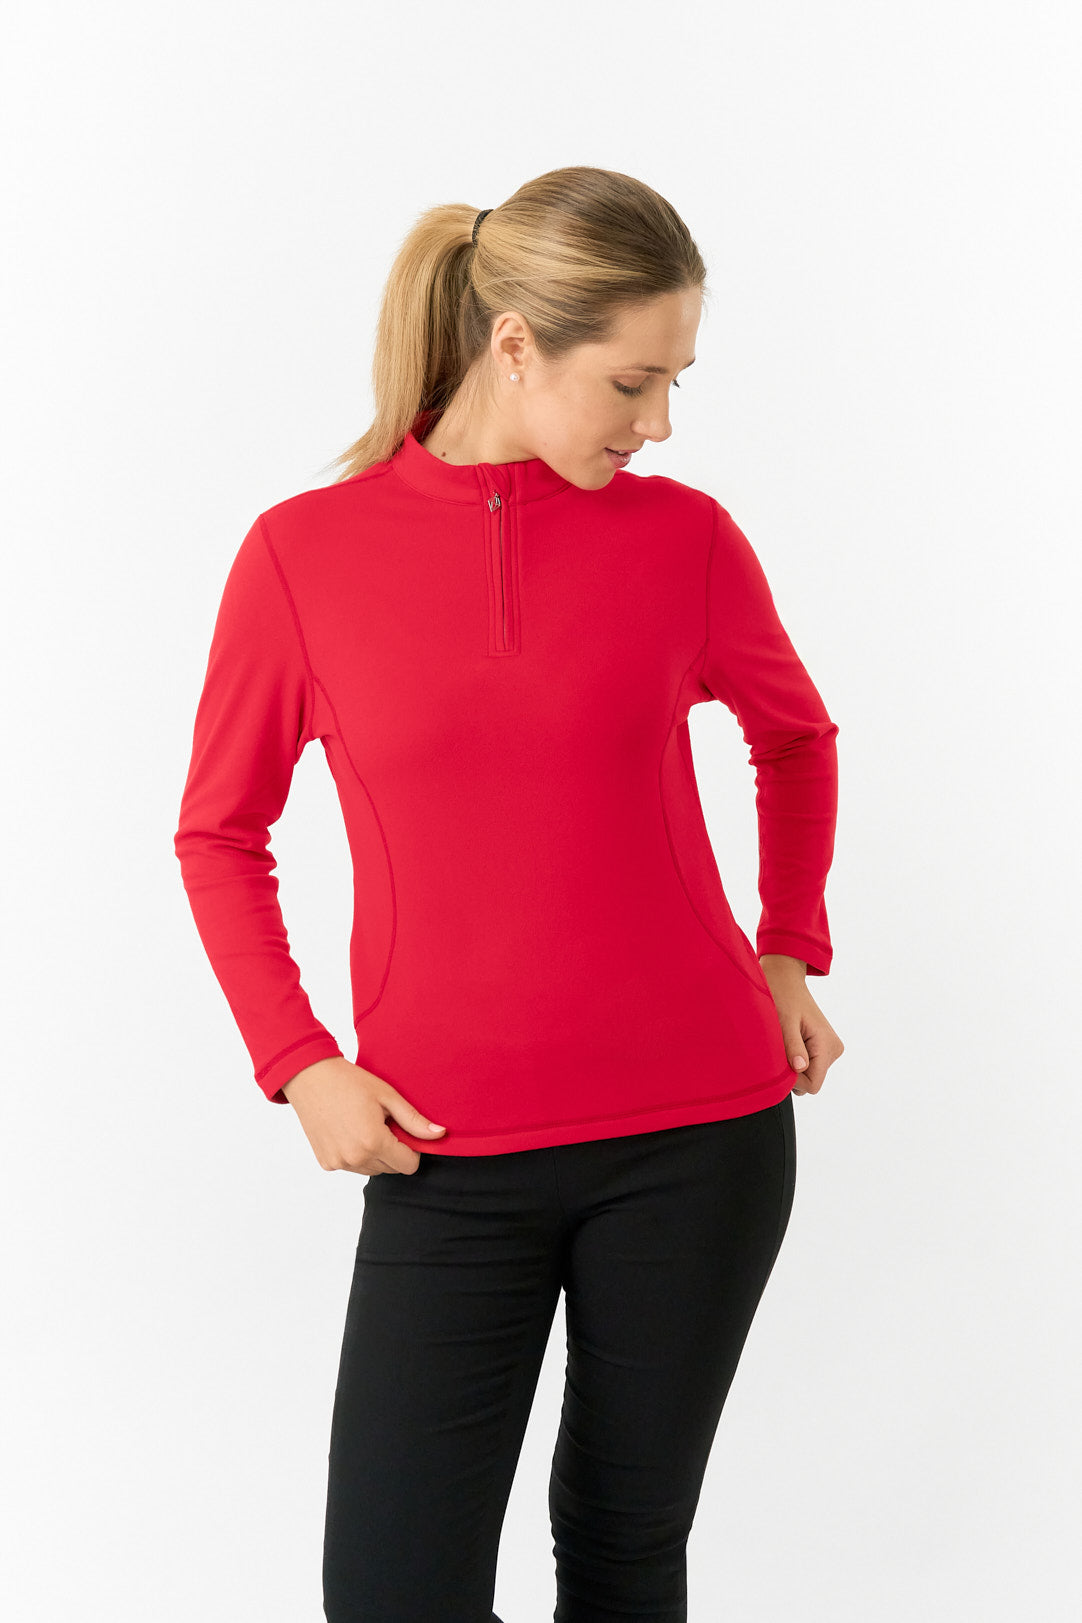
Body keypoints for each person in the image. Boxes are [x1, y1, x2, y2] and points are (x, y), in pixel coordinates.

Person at [173, 164, 845, 1623]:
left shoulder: (685, 540)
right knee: (392, 1591)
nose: (657, 423)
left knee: (620, 1550)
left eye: (675, 382)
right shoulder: (302, 555)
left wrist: (788, 949)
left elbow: (795, 738)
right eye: (633, 382)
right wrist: (299, 1062)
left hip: (700, 1138)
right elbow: (219, 831)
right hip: (446, 1152)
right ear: (517, 343)